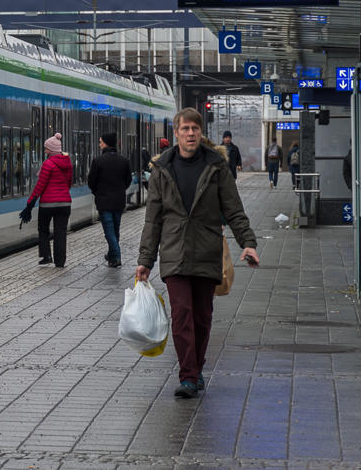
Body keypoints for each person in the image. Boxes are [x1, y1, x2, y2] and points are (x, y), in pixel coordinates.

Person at [137, 107, 259, 399]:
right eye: (185, 129)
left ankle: (196, 366)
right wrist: (144, 261)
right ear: (176, 133)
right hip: (174, 252)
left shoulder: (216, 166)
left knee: (202, 317)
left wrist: (249, 243)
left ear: (201, 132)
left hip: (206, 250)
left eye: (195, 128)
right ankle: (188, 376)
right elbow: (153, 218)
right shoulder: (162, 168)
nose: (190, 133)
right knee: (181, 315)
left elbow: (233, 209)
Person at [19, 132, 73, 267]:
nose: (45, 150)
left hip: (48, 204)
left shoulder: (48, 164)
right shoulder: (68, 163)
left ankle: (47, 256)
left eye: (46, 148)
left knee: (43, 228)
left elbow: (40, 186)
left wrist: (29, 204)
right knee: (60, 232)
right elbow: (69, 183)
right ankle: (60, 262)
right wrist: (62, 194)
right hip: (65, 203)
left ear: (51, 150)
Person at [88, 131, 131, 267]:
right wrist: (120, 190)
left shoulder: (98, 161)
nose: (99, 144)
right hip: (119, 201)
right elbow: (128, 180)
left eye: (101, 141)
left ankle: (116, 256)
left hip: (104, 201)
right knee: (115, 229)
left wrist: (97, 192)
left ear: (106, 143)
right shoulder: (124, 160)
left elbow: (91, 181)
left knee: (109, 231)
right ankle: (112, 256)